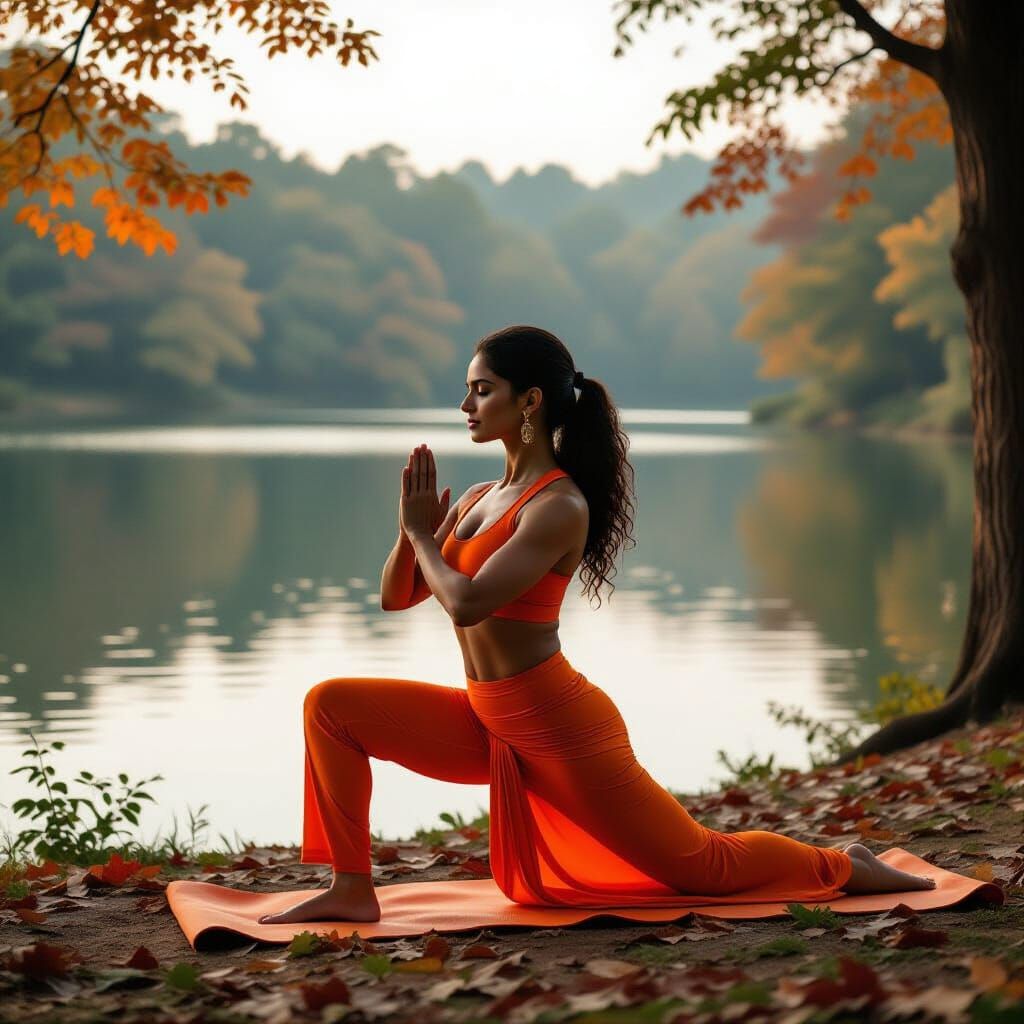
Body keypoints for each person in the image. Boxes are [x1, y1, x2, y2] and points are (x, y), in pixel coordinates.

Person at [259, 325, 935, 925]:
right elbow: (396, 597)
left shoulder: (556, 506)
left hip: (558, 725)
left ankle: (844, 864)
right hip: (488, 718)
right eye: (467, 391)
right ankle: (351, 887)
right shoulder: (473, 497)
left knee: (702, 866)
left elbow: (467, 602)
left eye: (482, 390)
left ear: (529, 402)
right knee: (332, 707)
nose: (466, 406)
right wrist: (408, 536)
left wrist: (425, 541)